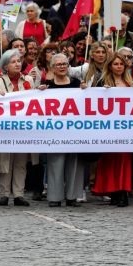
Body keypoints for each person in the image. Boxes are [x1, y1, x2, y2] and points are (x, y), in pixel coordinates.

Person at [38, 53, 86, 207]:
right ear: (52, 67)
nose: (62, 67)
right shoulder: (47, 85)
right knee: (55, 164)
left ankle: (72, 196)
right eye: (58, 64)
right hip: (55, 132)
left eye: (65, 64)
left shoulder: (77, 83)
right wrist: (39, 92)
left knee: (74, 164)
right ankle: (55, 197)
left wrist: (86, 90)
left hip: (75, 131)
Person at [93, 52, 133, 207]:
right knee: (110, 160)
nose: (119, 67)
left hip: (126, 128)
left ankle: (123, 191)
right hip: (108, 128)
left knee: (124, 160)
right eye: (115, 64)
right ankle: (113, 191)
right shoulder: (102, 82)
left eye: (121, 64)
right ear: (110, 66)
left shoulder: (130, 83)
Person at [0, 50, 33, 207]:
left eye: (19, 61)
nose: (17, 64)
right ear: (5, 66)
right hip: (5, 129)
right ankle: (4, 193)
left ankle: (18, 194)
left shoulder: (28, 80)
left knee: (21, 162)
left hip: (23, 128)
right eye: (13, 62)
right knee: (5, 161)